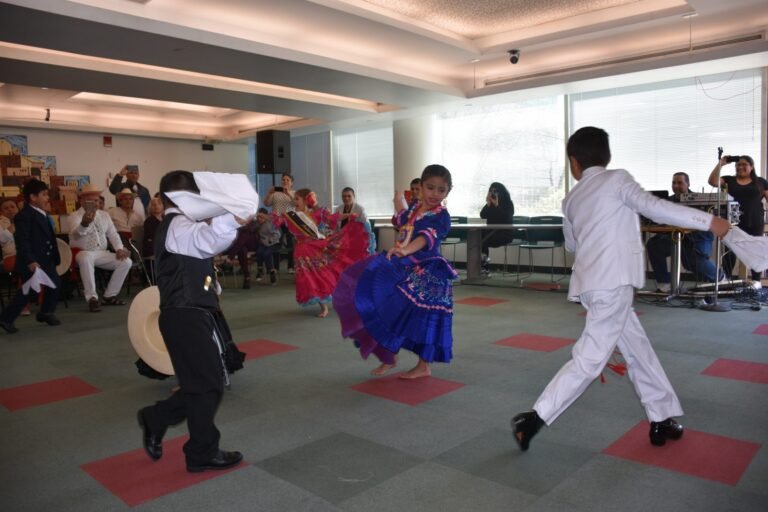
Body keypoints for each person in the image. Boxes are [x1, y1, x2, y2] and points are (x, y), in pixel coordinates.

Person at [511, 127, 730, 451]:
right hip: (613, 284)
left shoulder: (570, 198)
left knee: (638, 350)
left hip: (593, 285)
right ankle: (534, 418)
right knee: (590, 359)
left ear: (574, 163)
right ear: (607, 156)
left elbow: (572, 244)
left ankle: (661, 417)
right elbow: (654, 207)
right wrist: (708, 221)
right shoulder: (617, 179)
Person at [137, 170, 245, 473]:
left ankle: (161, 421)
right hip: (186, 314)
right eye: (198, 194)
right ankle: (200, 450)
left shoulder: (176, 225)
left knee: (203, 383)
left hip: (185, 313)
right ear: (186, 197)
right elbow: (213, 239)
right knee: (209, 384)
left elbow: (200, 252)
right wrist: (230, 216)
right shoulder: (180, 225)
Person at [333, 164, 457, 378]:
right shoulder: (415, 207)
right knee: (389, 309)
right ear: (420, 187)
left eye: (441, 190)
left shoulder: (441, 217)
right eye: (430, 187)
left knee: (424, 319)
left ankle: (423, 365)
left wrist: (405, 250)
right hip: (404, 266)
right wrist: (398, 201)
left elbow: (425, 238)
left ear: (448, 191)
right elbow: (401, 221)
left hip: (427, 273)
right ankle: (389, 356)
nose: (435, 194)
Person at [274, 188, 370, 318]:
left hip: (314, 248)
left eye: (297, 199)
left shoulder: (315, 214)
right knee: (308, 278)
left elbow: (333, 218)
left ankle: (328, 304)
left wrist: (348, 216)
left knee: (321, 275)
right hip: (300, 251)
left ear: (305, 200)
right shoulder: (292, 216)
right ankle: (323, 305)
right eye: (294, 199)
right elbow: (278, 220)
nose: (294, 201)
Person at [0, 180, 62, 334]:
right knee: (30, 290)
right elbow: (23, 241)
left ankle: (46, 312)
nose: (47, 198)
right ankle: (6, 318)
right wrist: (31, 261)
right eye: (44, 195)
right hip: (33, 261)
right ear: (33, 197)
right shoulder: (24, 216)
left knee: (55, 283)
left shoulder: (41, 213)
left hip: (46, 259)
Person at [647, 172, 721, 292]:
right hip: (675, 236)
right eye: (674, 183)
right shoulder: (667, 201)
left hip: (699, 237)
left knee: (690, 259)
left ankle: (720, 278)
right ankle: (664, 284)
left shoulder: (700, 200)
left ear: (688, 184)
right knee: (654, 245)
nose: (676, 185)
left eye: (679, 183)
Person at [69, 184, 132, 312]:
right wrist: (84, 223)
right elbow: (75, 235)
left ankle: (109, 296)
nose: (95, 203)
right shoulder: (74, 216)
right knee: (86, 258)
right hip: (83, 252)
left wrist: (119, 248)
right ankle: (92, 298)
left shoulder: (104, 215)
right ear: (82, 201)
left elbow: (113, 234)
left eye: (97, 200)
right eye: (91, 201)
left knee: (126, 261)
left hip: (102, 252)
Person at [709, 154, 768, 288]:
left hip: (755, 220)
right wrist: (721, 163)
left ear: (751, 167)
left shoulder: (760, 182)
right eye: (738, 165)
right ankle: (727, 279)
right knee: (730, 250)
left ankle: (756, 281)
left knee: (755, 250)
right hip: (733, 220)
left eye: (744, 164)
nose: (740, 167)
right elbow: (712, 182)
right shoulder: (729, 180)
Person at [479, 182, 515, 272]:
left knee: (481, 242)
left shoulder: (508, 204)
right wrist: (488, 203)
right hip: (491, 233)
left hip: (503, 234)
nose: (493, 193)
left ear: (501, 192)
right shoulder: (490, 204)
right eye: (491, 191)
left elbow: (506, 217)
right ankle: (482, 267)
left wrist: (497, 205)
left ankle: (484, 267)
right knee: (476, 240)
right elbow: (482, 215)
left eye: (495, 191)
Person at [264, 173, 296, 273]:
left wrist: (288, 193)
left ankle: (290, 266)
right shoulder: (275, 193)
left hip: (289, 221)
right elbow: (266, 203)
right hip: (276, 222)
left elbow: (296, 204)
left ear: (291, 183)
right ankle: (276, 267)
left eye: (287, 180)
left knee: (291, 244)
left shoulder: (294, 193)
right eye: (283, 180)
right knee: (276, 243)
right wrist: (269, 193)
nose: (285, 182)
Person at [225, 219, 260, 289]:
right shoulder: (233, 217)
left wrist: (244, 226)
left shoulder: (253, 219)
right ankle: (247, 276)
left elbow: (255, 227)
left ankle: (229, 258)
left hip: (250, 243)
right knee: (242, 250)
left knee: (244, 235)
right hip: (236, 244)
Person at [253, 207, 280, 285]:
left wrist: (270, 240)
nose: (259, 219)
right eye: (258, 217)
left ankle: (271, 273)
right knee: (259, 252)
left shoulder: (270, 224)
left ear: (265, 216)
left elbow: (277, 234)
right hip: (263, 244)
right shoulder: (257, 224)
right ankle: (260, 270)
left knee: (266, 254)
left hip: (273, 243)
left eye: (261, 217)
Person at [0, 197, 19, 272]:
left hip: (27, 254)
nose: (10, 209)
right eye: (6, 208)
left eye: (12, 206)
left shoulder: (25, 220)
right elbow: (2, 239)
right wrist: (14, 225)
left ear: (17, 208)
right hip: (10, 256)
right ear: (1, 212)